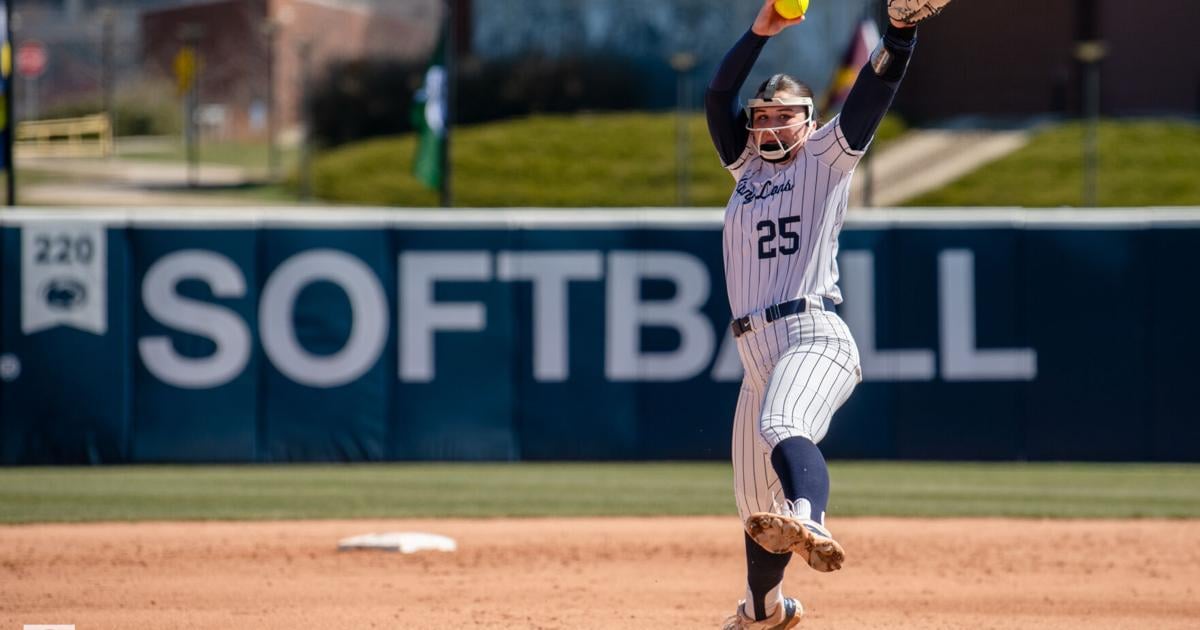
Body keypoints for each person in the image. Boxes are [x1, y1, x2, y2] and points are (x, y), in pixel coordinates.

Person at [704, 0, 948, 627]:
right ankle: (764, 610)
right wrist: (758, 32)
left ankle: (811, 519)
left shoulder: (826, 156)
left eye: (783, 116)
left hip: (812, 334)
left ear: (808, 121)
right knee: (755, 508)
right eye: (762, 116)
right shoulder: (744, 168)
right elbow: (719, 93)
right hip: (755, 354)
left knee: (783, 423)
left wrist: (900, 33)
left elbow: (876, 88)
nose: (769, 126)